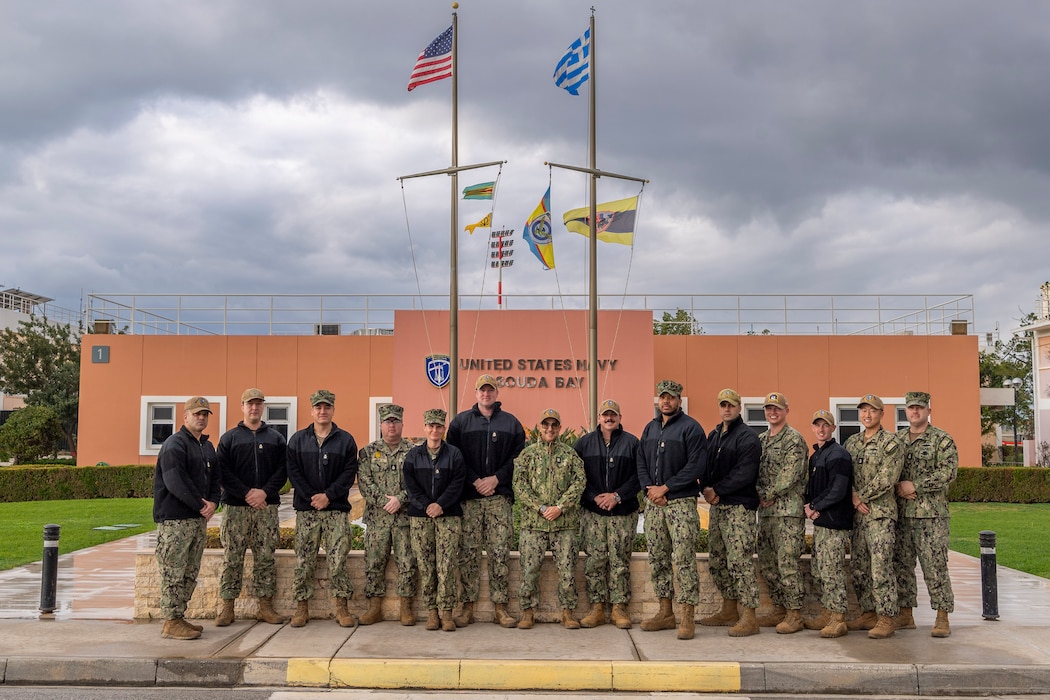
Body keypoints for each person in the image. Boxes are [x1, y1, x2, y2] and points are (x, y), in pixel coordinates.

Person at [446, 374, 526, 628]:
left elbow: (518, 458)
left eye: (490, 390)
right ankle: (467, 607)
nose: (486, 394)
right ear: (476, 393)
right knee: (467, 553)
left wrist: (496, 479)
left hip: (499, 498)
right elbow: (453, 457)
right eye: (482, 390)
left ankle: (500, 608)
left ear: (496, 393)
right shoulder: (460, 423)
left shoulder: (511, 423)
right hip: (469, 498)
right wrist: (475, 480)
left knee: (499, 552)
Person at [636, 379, 707, 641]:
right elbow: (641, 461)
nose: (666, 401)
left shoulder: (692, 429)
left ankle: (687, 616)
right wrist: (650, 489)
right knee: (658, 558)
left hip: (680, 504)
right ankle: (665, 612)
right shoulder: (650, 428)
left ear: (679, 400)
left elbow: (695, 467)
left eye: (671, 397)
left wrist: (666, 488)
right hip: (654, 504)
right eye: (662, 397)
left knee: (684, 559)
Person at [285, 389, 360, 628]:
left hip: (336, 510)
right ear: (312, 410)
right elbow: (293, 473)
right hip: (307, 511)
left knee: (338, 560)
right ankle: (301, 607)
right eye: (318, 407)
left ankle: (342, 607)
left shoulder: (345, 440)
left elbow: (349, 474)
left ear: (333, 409)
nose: (322, 411)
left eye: (327, 407)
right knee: (304, 560)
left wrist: (328, 496)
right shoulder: (298, 440)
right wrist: (312, 497)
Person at [215, 388, 288, 627]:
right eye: (250, 404)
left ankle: (265, 607)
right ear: (242, 406)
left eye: (258, 404)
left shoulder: (275, 438)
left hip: (266, 507)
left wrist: (264, 492)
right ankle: (227, 607)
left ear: (263, 407)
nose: (254, 408)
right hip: (236, 508)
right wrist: (246, 493)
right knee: (232, 558)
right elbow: (222, 472)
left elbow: (283, 470)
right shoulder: (229, 438)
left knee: (265, 558)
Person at [153, 396, 220, 640]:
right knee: (174, 571)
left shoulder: (206, 446)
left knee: (190, 571)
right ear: (185, 417)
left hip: (196, 520)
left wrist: (214, 502)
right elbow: (174, 481)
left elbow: (215, 481)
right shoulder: (175, 444)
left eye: (205, 414)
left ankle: (179, 616)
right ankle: (170, 621)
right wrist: (200, 505)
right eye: (196, 414)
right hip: (175, 521)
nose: (201, 418)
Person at [512, 408, 587, 629]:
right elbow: (519, 484)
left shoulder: (570, 454)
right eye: (546, 424)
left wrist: (560, 507)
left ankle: (568, 612)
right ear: (540, 426)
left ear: (560, 428)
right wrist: (541, 507)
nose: (550, 428)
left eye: (554, 425)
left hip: (563, 524)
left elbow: (579, 482)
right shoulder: (528, 455)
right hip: (534, 524)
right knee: (529, 569)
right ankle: (527, 612)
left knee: (567, 569)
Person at [894, 391, 958, 638]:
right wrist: (900, 487)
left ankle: (942, 616)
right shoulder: (897, 440)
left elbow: (948, 472)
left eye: (920, 408)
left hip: (932, 517)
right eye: (911, 408)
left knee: (935, 566)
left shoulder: (941, 440)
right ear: (906, 411)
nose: (915, 412)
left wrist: (916, 486)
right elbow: (889, 471)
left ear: (928, 411)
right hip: (902, 515)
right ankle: (905, 613)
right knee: (902, 566)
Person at [700, 388, 762, 637]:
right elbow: (704, 464)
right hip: (718, 507)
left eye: (731, 405)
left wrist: (718, 491)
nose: (727, 409)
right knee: (718, 559)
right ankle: (729, 608)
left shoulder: (748, 437)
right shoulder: (714, 435)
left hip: (739, 508)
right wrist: (704, 487)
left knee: (740, 561)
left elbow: (745, 472)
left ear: (739, 408)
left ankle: (749, 616)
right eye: (723, 405)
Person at [574, 399, 641, 630]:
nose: (609, 418)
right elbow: (576, 477)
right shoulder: (584, 444)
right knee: (595, 561)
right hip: (593, 513)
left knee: (620, 561)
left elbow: (639, 476)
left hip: (623, 512)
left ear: (620, 417)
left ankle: (619, 608)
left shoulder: (632, 443)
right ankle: (597, 608)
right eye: (605, 415)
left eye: (613, 414)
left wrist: (617, 496)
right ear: (599, 418)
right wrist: (594, 497)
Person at [843, 393, 905, 639]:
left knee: (881, 566)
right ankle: (868, 612)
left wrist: (860, 497)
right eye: (863, 410)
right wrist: (851, 496)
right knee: (859, 567)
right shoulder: (852, 443)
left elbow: (887, 478)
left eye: (872, 410)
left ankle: (887, 617)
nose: (867, 415)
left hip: (880, 515)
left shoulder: (891, 443)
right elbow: (844, 475)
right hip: (858, 517)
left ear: (882, 414)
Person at [403, 408, 467, 632]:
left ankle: (447, 613)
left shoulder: (454, 454)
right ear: (424, 428)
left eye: (439, 426)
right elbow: (410, 486)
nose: (434, 430)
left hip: (448, 516)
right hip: (421, 518)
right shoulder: (413, 455)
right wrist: (426, 505)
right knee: (426, 565)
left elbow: (458, 483)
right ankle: (431, 612)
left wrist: (441, 504)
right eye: (431, 426)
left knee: (447, 565)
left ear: (444, 428)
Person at [357, 403, 418, 626]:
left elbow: (417, 483)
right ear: (381, 424)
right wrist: (385, 502)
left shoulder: (413, 452)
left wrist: (400, 499)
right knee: (373, 562)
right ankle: (374, 607)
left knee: (407, 563)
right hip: (377, 519)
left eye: (395, 421)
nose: (391, 425)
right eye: (387, 421)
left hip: (404, 519)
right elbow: (364, 482)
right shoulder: (368, 452)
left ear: (402, 424)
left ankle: (406, 607)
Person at [755, 391, 809, 634]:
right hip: (766, 514)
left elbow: (790, 473)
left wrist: (767, 494)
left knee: (787, 563)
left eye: (777, 408)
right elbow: (752, 471)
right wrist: (758, 493)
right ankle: (779, 608)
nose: (772, 412)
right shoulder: (761, 440)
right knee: (768, 564)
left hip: (787, 513)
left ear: (787, 410)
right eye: (768, 408)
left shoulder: (794, 440)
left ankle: (794, 613)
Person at [802, 409, 855, 638]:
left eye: (826, 425)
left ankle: (838, 618)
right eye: (817, 425)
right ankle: (827, 612)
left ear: (833, 428)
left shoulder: (839, 455)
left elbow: (838, 490)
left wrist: (815, 507)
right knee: (820, 570)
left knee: (832, 571)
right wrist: (808, 505)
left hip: (834, 524)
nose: (821, 429)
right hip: (821, 523)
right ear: (813, 428)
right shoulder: (816, 456)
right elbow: (811, 488)